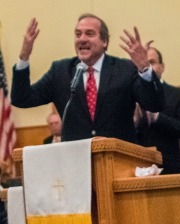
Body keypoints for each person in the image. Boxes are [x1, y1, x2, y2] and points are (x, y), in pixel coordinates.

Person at [11, 15, 164, 144]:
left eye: (89, 34)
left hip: (118, 161)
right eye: (78, 34)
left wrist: (144, 68)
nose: (82, 39)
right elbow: (22, 99)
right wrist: (24, 57)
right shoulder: (60, 71)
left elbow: (154, 104)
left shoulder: (125, 69)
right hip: (76, 164)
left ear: (105, 41)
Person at [135, 47, 180, 174]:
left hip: (169, 167)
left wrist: (157, 118)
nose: (147, 66)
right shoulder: (130, 94)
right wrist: (134, 122)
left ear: (162, 66)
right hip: (136, 168)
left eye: (151, 62)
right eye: (142, 62)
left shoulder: (178, 95)